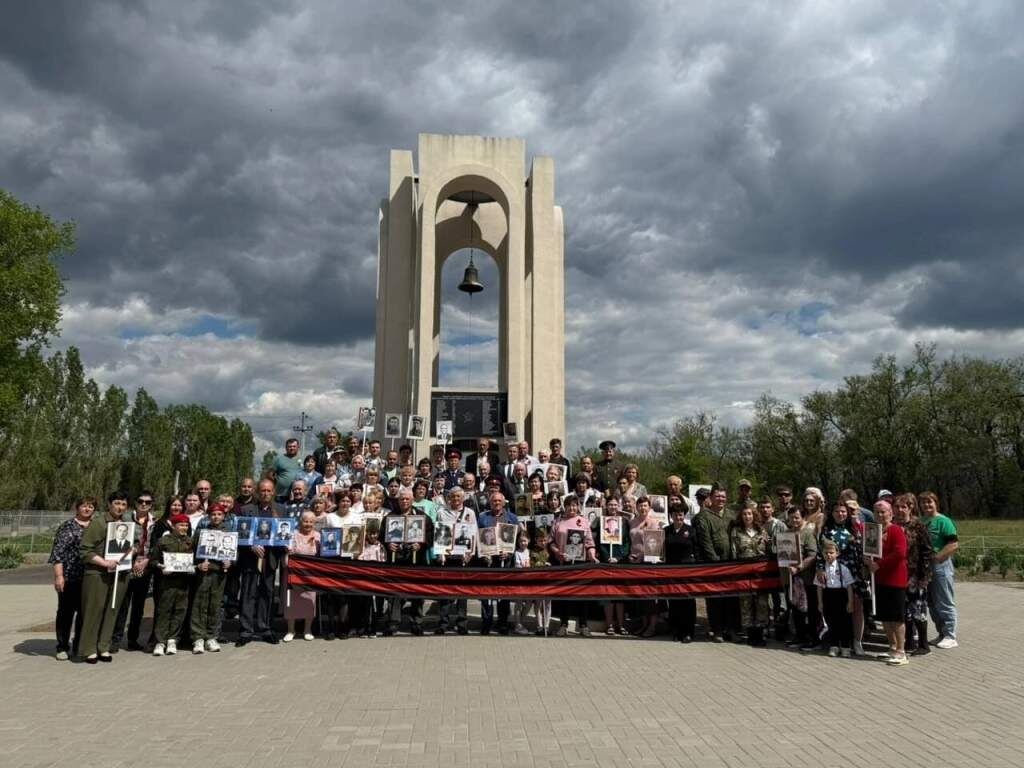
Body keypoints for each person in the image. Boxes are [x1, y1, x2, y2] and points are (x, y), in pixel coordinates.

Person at [77, 491, 135, 663]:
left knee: (112, 610)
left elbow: (132, 546)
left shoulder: (126, 525)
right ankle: (89, 649)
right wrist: (103, 563)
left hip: (119, 574)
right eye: (117, 503)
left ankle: (103, 646)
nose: (120, 507)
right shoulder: (99, 523)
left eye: (123, 504)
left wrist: (133, 551)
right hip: (98, 574)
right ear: (109, 504)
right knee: (94, 611)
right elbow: (85, 550)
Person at [236, 479, 286, 646]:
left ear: (273, 492)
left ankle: (265, 629)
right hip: (251, 558)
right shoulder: (247, 510)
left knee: (267, 593)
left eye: (268, 491)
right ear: (258, 492)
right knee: (248, 593)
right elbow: (241, 534)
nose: (265, 493)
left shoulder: (280, 509)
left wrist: (286, 543)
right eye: (262, 490)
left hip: (270, 558)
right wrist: (251, 545)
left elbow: (284, 533)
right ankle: (246, 631)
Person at [48, 497, 96, 660]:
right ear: (77, 508)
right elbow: (58, 553)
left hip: (90, 577)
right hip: (69, 577)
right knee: (65, 613)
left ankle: (79, 645)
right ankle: (62, 646)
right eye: (84, 506)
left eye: (90, 507)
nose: (87, 509)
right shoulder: (67, 527)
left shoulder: (96, 526)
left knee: (84, 613)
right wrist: (59, 576)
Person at [817, 501, 868, 655]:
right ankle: (836, 642)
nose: (841, 514)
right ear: (832, 514)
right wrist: (820, 568)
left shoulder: (855, 528)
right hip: (834, 575)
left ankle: (856, 642)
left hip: (854, 573)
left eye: (843, 511)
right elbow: (821, 551)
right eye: (837, 511)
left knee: (856, 608)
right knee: (836, 611)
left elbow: (863, 549)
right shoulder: (826, 530)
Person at [864, 499, 909, 665]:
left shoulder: (896, 530)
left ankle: (901, 651)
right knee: (885, 617)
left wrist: (879, 563)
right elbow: (869, 550)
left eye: (883, 512)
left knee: (896, 617)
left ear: (890, 513)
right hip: (879, 579)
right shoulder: (873, 531)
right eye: (877, 512)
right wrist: (867, 560)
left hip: (895, 580)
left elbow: (900, 553)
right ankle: (892, 647)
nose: (880, 515)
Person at [383, 488, 433, 635]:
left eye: (407, 499)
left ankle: (416, 622)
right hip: (396, 561)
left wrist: (421, 543)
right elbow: (381, 536)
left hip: (416, 560)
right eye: (402, 499)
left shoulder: (422, 517)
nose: (404, 501)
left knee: (417, 592)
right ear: (398, 500)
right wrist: (388, 544)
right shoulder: (390, 517)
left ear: (412, 500)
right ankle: (393, 622)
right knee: (395, 592)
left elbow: (430, 535)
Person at [111, 491, 155, 652]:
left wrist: (146, 561)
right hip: (126, 566)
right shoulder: (126, 518)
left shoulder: (154, 522)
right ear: (135, 503)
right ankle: (115, 640)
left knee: (138, 606)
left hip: (144, 567)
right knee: (122, 605)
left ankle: (132, 639)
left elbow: (155, 545)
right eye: (141, 501)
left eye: (147, 502)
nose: (144, 504)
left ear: (151, 505)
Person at [548, 495, 597, 637]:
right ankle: (563, 624)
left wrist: (592, 555)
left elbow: (589, 543)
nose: (572, 508)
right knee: (565, 594)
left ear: (578, 506)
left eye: (575, 505)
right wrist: (557, 552)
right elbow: (551, 542)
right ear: (565, 506)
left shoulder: (584, 522)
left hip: (580, 563)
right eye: (569, 505)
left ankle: (583, 625)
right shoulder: (558, 521)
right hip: (563, 562)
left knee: (582, 595)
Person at [893, 494, 933, 656]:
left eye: (904, 507)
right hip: (897, 575)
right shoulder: (892, 525)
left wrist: (925, 576)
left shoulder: (918, 526)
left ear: (910, 508)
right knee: (904, 610)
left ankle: (923, 644)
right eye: (897, 507)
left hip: (915, 574)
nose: (900, 510)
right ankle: (908, 640)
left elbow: (927, 551)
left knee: (918, 609)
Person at [692, 485, 732, 641]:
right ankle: (717, 630)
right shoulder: (704, 517)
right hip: (714, 565)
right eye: (718, 496)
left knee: (731, 599)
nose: (721, 499)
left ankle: (731, 629)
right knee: (715, 599)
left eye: (723, 496)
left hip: (731, 564)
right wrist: (715, 562)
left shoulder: (731, 515)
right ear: (712, 498)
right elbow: (705, 542)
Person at [190, 503, 231, 654]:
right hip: (204, 573)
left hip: (220, 574)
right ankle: (198, 638)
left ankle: (211, 636)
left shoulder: (228, 533)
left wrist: (230, 562)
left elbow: (234, 554)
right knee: (199, 603)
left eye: (219, 514)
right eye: (213, 514)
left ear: (223, 516)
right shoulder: (201, 533)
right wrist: (199, 565)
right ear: (209, 516)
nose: (216, 517)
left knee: (215, 604)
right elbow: (192, 553)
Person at [477, 491, 519, 635]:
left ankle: (502, 622)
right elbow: (478, 538)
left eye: (499, 501)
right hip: (488, 562)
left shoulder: (512, 518)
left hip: (504, 562)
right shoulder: (483, 517)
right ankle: (486, 622)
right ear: (490, 503)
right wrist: (483, 554)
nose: (496, 503)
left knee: (503, 593)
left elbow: (518, 540)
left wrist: (509, 552)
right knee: (486, 594)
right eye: (494, 501)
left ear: (503, 502)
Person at [920, 491, 959, 649]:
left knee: (944, 600)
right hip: (925, 566)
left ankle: (950, 634)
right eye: (923, 503)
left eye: (930, 502)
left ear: (936, 503)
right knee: (931, 602)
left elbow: (953, 544)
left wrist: (937, 558)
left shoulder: (944, 521)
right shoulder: (922, 521)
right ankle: (941, 633)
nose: (926, 505)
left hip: (940, 565)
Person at [435, 488, 476, 635]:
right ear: (449, 498)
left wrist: (470, 553)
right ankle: (443, 623)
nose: (456, 499)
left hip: (462, 559)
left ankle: (462, 623)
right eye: (453, 496)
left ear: (463, 497)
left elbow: (474, 535)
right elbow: (439, 534)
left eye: (458, 496)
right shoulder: (441, 513)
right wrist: (440, 553)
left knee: (462, 592)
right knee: (445, 591)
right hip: (447, 558)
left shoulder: (470, 513)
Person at [151, 513, 193, 656]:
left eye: (186, 525)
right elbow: (153, 560)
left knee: (180, 612)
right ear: (173, 526)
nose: (184, 528)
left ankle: (172, 640)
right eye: (181, 525)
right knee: (164, 611)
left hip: (183, 583)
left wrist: (193, 568)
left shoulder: (190, 542)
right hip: (167, 583)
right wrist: (160, 566)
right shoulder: (163, 541)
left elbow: (194, 561)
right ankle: (160, 642)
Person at [730, 504, 769, 646]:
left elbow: (769, 550)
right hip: (744, 572)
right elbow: (733, 553)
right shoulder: (736, 532)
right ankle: (750, 633)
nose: (747, 516)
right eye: (745, 514)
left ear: (754, 515)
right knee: (746, 602)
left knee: (762, 602)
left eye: (750, 514)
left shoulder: (762, 531)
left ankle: (760, 632)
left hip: (760, 573)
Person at [784, 506, 820, 652]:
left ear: (803, 518)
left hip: (807, 578)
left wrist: (799, 567)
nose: (794, 520)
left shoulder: (808, 533)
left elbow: (812, 554)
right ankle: (800, 637)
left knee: (810, 610)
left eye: (797, 517)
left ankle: (814, 639)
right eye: (792, 518)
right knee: (796, 608)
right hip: (792, 579)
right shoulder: (787, 533)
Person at [594, 497, 630, 636]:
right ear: (606, 506)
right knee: (607, 594)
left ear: (619, 506)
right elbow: (599, 542)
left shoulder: (624, 522)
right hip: (606, 561)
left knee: (620, 595)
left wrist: (619, 557)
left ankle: (621, 625)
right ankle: (609, 625)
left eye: (615, 504)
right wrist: (606, 556)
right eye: (610, 504)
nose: (613, 507)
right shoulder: (601, 521)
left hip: (619, 562)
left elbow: (627, 542)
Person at [284, 511, 320, 642]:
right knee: (291, 601)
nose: (308, 524)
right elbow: (290, 552)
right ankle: (290, 630)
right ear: (301, 521)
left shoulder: (318, 536)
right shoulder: (293, 534)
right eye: (306, 521)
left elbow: (320, 554)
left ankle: (307, 630)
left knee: (310, 601)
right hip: (294, 573)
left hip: (310, 574)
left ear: (314, 523)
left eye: (311, 521)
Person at [664, 500, 697, 643]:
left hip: (687, 571)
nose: (679, 517)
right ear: (671, 516)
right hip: (671, 571)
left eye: (681, 515)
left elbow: (696, 550)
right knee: (674, 602)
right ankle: (676, 630)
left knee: (688, 602)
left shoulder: (690, 530)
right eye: (676, 515)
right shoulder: (666, 531)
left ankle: (688, 631)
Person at [816, 540, 855, 658]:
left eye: (831, 552)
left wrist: (850, 601)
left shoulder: (843, 568)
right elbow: (819, 587)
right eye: (826, 553)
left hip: (841, 595)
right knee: (831, 622)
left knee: (844, 622)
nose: (829, 555)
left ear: (837, 553)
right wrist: (820, 602)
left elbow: (849, 586)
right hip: (828, 595)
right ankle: (834, 646)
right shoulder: (821, 570)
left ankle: (845, 646)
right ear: (823, 554)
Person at [530, 528, 554, 635]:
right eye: (540, 540)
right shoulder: (533, 551)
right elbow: (531, 564)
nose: (543, 543)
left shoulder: (550, 551)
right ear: (536, 540)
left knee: (548, 604)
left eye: (544, 540)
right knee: (538, 604)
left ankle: (547, 626)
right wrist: (540, 564)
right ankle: (539, 626)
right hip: (537, 580)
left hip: (549, 580)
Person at [511, 530, 534, 635]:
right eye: (520, 541)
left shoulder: (530, 552)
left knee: (529, 602)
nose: (523, 543)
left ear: (528, 541)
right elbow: (517, 566)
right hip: (519, 580)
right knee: (518, 603)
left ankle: (521, 621)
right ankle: (517, 624)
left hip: (529, 581)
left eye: (524, 541)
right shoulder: (516, 553)